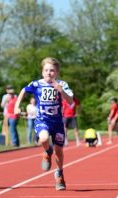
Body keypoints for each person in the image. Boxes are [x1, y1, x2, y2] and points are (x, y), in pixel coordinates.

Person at [14, 57, 73, 191]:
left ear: (57, 73)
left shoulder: (62, 84)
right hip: (43, 120)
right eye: (46, 70)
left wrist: (61, 90)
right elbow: (23, 91)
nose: (49, 73)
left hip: (57, 122)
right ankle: (47, 151)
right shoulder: (37, 84)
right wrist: (16, 107)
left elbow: (70, 101)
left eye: (52, 71)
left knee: (59, 150)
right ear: (42, 72)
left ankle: (59, 173)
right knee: (44, 138)